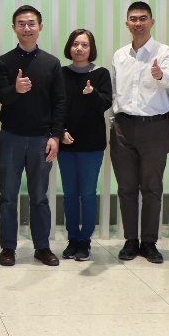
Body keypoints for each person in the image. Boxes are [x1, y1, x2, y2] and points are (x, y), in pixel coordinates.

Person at [0, 5, 66, 267]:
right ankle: (8, 247)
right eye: (21, 24)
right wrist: (15, 89)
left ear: (40, 27)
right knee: (8, 196)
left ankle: (42, 247)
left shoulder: (51, 63)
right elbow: (0, 96)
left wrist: (55, 136)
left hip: (41, 139)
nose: (27, 28)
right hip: (11, 137)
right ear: (14, 28)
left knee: (39, 197)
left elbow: (60, 102)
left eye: (31, 23)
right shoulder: (4, 61)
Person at [110, 1, 169, 264]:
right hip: (123, 127)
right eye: (133, 19)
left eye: (143, 18)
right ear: (127, 23)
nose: (138, 23)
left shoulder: (165, 52)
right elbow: (115, 92)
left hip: (154, 127)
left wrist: (159, 75)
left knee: (152, 187)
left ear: (152, 22)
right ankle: (131, 240)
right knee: (126, 188)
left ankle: (149, 242)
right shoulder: (119, 55)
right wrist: (114, 121)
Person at [59, 29, 113, 262]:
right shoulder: (61, 73)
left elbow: (105, 103)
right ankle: (72, 239)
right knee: (70, 194)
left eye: (84, 45)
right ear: (69, 47)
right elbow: (56, 106)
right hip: (65, 143)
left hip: (91, 144)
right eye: (75, 44)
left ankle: (85, 240)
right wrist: (59, 132)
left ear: (91, 49)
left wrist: (92, 94)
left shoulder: (101, 74)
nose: (79, 49)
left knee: (88, 194)